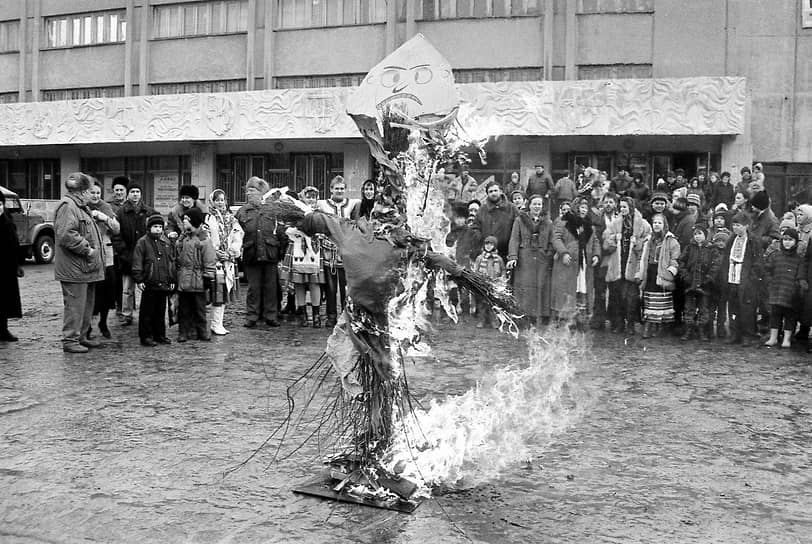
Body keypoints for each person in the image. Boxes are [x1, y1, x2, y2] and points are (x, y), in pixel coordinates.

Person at [54, 172, 106, 353]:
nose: (91, 194)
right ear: (82, 192)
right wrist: (88, 250)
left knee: (85, 305)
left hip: (85, 268)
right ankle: (70, 340)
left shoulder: (80, 207)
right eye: (89, 191)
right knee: (75, 306)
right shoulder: (68, 206)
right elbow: (67, 235)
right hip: (75, 268)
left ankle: (82, 336)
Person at [236, 176, 287, 328]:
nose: (248, 193)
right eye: (248, 190)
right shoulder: (242, 212)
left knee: (271, 287)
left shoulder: (273, 210)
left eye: (252, 190)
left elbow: (282, 232)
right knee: (253, 287)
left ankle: (271, 315)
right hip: (251, 254)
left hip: (271, 253)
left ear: (261, 192)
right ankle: (252, 316)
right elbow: (235, 233)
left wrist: (281, 253)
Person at [604, 197, 651, 335]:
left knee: (631, 297)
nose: (622, 210)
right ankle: (619, 324)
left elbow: (648, 239)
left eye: (625, 207)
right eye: (621, 207)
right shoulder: (615, 223)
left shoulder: (642, 223)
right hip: (619, 263)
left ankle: (630, 324)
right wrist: (613, 240)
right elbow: (606, 239)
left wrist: (638, 243)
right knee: (618, 296)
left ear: (631, 207)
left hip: (633, 264)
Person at [550, 198, 601, 327]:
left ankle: (580, 319)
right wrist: (564, 252)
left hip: (584, 263)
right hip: (568, 263)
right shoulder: (563, 223)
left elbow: (595, 242)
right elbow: (556, 239)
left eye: (585, 208)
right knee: (567, 289)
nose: (583, 210)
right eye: (580, 207)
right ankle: (565, 320)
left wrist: (596, 255)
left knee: (582, 289)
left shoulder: (589, 226)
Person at [507, 194, 554, 328]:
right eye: (534, 204)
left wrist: (548, 254)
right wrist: (513, 257)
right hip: (525, 258)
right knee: (524, 288)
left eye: (539, 204)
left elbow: (552, 241)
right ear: (529, 205)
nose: (537, 207)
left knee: (539, 287)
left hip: (541, 259)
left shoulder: (548, 222)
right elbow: (515, 239)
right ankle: (523, 316)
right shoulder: (520, 220)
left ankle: (537, 317)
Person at [113, 183, 155, 326]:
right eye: (132, 192)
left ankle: (148, 313)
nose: (135, 194)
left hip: (146, 256)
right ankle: (127, 314)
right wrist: (123, 252)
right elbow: (116, 235)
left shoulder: (149, 211)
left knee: (148, 287)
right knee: (127, 289)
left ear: (141, 194)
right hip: (127, 257)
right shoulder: (121, 212)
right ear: (128, 194)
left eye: (137, 191)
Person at [283, 187, 325, 328]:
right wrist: (296, 230)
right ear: (303, 198)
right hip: (298, 249)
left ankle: (316, 316)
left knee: (315, 282)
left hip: (314, 250)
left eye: (314, 196)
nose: (311, 199)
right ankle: (303, 315)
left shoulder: (320, 213)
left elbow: (324, 230)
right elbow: (287, 228)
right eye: (308, 196)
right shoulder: (296, 212)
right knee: (299, 282)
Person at [132, 213, 175, 346]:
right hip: (149, 282)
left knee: (160, 312)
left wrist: (172, 279)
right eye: (155, 226)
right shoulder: (142, 242)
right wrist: (139, 279)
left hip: (163, 282)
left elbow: (170, 262)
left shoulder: (165, 243)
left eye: (160, 227)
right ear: (149, 227)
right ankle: (146, 336)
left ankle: (160, 334)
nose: (158, 229)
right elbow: (137, 262)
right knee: (147, 312)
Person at [205, 189, 244, 335]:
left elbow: (238, 235)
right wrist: (215, 252)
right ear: (212, 202)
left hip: (227, 261)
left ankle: (218, 323)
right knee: (215, 292)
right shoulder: (208, 218)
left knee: (223, 292)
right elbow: (206, 237)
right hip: (214, 261)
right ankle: (210, 323)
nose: (220, 203)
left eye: (222, 200)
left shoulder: (231, 219)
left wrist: (231, 251)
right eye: (217, 200)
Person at [175, 207, 216, 342]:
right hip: (184, 281)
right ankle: (183, 331)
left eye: (186, 221)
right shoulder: (184, 238)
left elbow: (209, 260)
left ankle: (202, 331)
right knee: (183, 309)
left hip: (198, 280)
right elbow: (177, 251)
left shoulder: (203, 240)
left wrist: (208, 277)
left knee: (200, 309)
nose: (184, 223)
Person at [637, 213, 680, 338]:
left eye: (659, 223)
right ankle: (649, 325)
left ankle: (659, 325)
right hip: (650, 272)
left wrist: (670, 271)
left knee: (661, 301)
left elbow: (675, 258)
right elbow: (643, 256)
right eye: (654, 222)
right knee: (650, 300)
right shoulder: (649, 240)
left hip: (662, 273)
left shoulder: (671, 240)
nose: (656, 225)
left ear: (664, 225)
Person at [722, 212, 763, 346]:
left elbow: (758, 262)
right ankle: (735, 333)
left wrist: (752, 278)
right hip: (732, 276)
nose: (735, 228)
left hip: (746, 278)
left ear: (746, 226)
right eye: (734, 225)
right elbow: (726, 259)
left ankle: (748, 334)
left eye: (738, 225)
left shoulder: (753, 241)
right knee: (733, 307)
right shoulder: (731, 240)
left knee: (747, 308)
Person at [87, 180, 120, 339]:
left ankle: (103, 322)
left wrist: (104, 217)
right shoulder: (82, 207)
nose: (95, 196)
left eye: (98, 193)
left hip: (107, 255)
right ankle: (87, 326)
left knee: (107, 291)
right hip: (89, 253)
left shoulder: (106, 207)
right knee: (91, 292)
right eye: (92, 192)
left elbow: (116, 228)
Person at [763, 227, 806, 348]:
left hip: (790, 293)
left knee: (790, 317)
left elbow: (800, 276)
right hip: (776, 290)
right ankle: (773, 337)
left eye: (790, 240)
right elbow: (767, 270)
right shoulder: (776, 256)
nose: (787, 242)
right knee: (775, 315)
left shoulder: (798, 260)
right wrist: (770, 282)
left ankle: (787, 339)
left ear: (796, 242)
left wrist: (796, 288)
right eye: (785, 239)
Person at [678, 224, 719, 341]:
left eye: (700, 234)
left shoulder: (711, 249)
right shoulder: (689, 247)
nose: (697, 236)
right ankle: (688, 330)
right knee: (689, 308)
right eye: (695, 234)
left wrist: (708, 278)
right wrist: (686, 276)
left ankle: (702, 331)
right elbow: (681, 262)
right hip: (690, 284)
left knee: (703, 308)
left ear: (705, 235)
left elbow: (716, 265)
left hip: (704, 284)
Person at [591, 192, 619, 330]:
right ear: (602, 203)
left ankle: (615, 320)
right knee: (600, 289)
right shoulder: (597, 219)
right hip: (602, 257)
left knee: (615, 290)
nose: (608, 205)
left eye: (611, 202)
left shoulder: (619, 218)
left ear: (615, 204)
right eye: (606, 202)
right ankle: (599, 319)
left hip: (615, 258)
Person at [471, 181, 518, 261]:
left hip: (507, 253)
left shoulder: (512, 208)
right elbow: (476, 228)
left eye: (495, 191)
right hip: (488, 254)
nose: (493, 193)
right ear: (487, 194)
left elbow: (518, 230)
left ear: (501, 191)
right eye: (490, 191)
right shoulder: (482, 210)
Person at [0, 190, 23, 342]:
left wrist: (17, 265)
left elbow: (13, 241)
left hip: (6, 265)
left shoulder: (7, 218)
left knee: (5, 299)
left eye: (0, 203)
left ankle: (3, 329)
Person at [108, 176, 129, 319]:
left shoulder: (130, 206)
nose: (119, 192)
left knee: (128, 280)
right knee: (116, 280)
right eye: (117, 190)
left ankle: (128, 306)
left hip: (128, 248)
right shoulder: (108, 207)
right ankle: (118, 306)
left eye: (122, 190)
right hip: (114, 249)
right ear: (113, 191)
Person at [473, 236, 506, 328]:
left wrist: (502, 280)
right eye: (486, 244)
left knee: (493, 303)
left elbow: (503, 270)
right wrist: (476, 280)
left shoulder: (498, 259)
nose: (488, 246)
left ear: (494, 246)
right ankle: (482, 320)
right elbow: (476, 269)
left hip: (494, 283)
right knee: (482, 303)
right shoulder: (480, 258)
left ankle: (493, 321)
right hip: (483, 283)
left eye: (491, 244)